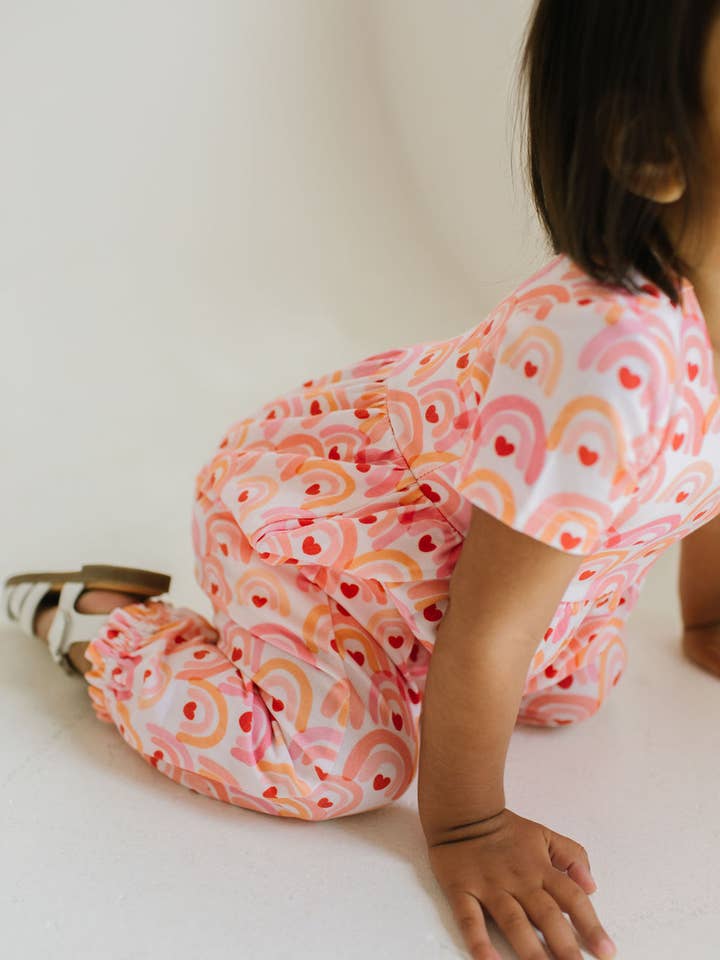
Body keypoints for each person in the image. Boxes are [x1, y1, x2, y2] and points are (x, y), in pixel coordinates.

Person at [4, 1, 720, 958]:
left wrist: (704, 614)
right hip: (323, 523)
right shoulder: (610, 360)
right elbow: (487, 621)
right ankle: (103, 628)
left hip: (491, 546)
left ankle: (413, 668)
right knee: (340, 768)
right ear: (652, 155)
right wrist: (467, 826)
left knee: (574, 690)